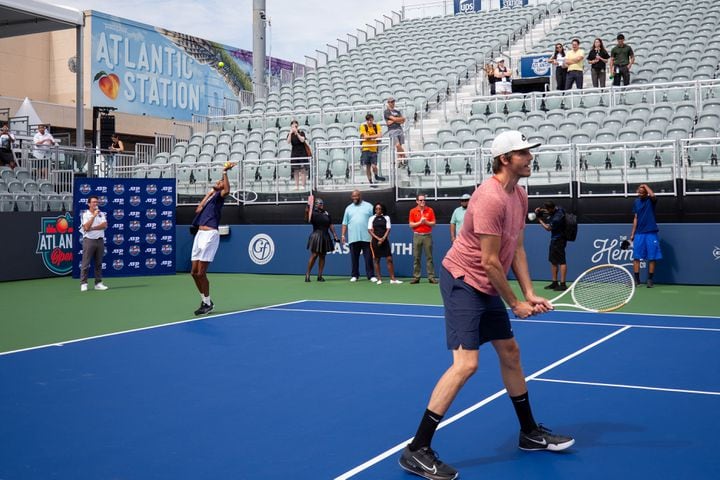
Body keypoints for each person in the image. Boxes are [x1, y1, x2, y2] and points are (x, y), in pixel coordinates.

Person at [399, 130, 574, 480]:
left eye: (529, 151)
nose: (530, 157)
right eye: (523, 152)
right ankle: (417, 449)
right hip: (464, 280)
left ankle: (528, 433)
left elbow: (518, 249)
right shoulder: (489, 198)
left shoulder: (519, 195)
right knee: (466, 365)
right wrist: (514, 304)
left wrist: (529, 293)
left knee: (510, 352)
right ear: (504, 159)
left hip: (487, 282)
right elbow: (491, 261)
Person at [190, 162, 233, 315]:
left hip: (210, 235)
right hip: (199, 235)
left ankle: (207, 302)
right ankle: (206, 301)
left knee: (201, 273)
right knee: (194, 273)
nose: (218, 182)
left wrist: (225, 172)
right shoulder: (211, 197)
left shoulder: (220, 197)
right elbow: (198, 209)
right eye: (218, 181)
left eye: (220, 181)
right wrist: (209, 193)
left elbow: (227, 189)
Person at [629, 184, 661, 288]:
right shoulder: (636, 202)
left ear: (646, 192)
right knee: (636, 257)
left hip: (651, 232)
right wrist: (633, 233)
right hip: (639, 233)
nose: (641, 193)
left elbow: (653, 195)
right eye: (639, 192)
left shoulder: (650, 200)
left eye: (643, 192)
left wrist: (645, 186)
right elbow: (635, 218)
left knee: (652, 257)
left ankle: (650, 280)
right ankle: (637, 280)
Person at [341, 190, 376, 283]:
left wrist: (374, 234)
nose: (354, 198)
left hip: (367, 237)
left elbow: (374, 221)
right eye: (353, 196)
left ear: (360, 196)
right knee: (354, 258)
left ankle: (371, 275)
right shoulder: (348, 208)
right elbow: (345, 223)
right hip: (353, 237)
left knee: (368, 258)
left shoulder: (369, 206)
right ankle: (354, 275)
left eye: (356, 196)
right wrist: (343, 235)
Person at [535, 201, 568, 291]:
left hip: (559, 240)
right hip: (555, 240)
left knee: (562, 261)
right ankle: (554, 282)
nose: (547, 211)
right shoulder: (559, 208)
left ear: (551, 208)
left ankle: (563, 284)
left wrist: (540, 220)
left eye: (547, 209)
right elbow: (549, 211)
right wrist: (540, 211)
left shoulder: (557, 218)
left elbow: (548, 228)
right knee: (553, 261)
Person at [305, 197, 339, 282]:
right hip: (316, 235)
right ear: (316, 204)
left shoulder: (326, 213)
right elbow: (307, 219)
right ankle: (307, 274)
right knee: (314, 255)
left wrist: (334, 235)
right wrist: (307, 211)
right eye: (320, 204)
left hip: (325, 236)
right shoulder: (312, 213)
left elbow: (330, 224)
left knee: (322, 256)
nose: (322, 205)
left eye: (322, 204)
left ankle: (319, 276)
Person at [80, 195, 109, 292]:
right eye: (93, 202)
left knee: (98, 263)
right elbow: (86, 228)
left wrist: (93, 228)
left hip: (100, 240)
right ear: (89, 204)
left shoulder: (101, 214)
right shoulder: (85, 214)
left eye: (97, 202)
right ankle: (84, 283)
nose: (95, 203)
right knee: (85, 263)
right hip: (89, 240)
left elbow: (104, 225)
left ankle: (98, 283)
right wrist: (93, 216)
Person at [368, 202, 402, 285]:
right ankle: (379, 279)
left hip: (384, 241)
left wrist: (383, 238)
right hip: (375, 241)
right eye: (376, 209)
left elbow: (388, 229)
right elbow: (369, 230)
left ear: (382, 209)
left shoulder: (387, 218)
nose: (378, 210)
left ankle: (392, 279)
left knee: (389, 259)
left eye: (379, 209)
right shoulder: (371, 218)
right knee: (376, 260)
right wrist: (378, 239)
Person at [408, 193, 438, 284]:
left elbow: (433, 223)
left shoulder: (430, 210)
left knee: (429, 257)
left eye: (424, 200)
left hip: (427, 235)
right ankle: (416, 277)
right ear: (417, 201)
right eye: (420, 200)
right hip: (417, 235)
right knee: (416, 257)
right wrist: (420, 223)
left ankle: (431, 277)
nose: (423, 201)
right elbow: (411, 225)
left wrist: (426, 222)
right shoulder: (413, 211)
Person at [359, 113, 386, 186]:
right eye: (368, 120)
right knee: (368, 167)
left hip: (373, 149)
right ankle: (370, 182)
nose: (369, 122)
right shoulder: (363, 126)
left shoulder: (376, 126)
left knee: (374, 166)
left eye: (371, 120)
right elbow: (365, 137)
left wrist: (369, 137)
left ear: (373, 120)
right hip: (365, 148)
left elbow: (380, 135)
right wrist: (374, 136)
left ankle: (376, 176)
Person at [287, 119, 310, 190]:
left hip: (302, 153)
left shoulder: (301, 132)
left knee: (303, 169)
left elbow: (302, 140)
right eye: (293, 126)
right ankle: (296, 186)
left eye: (295, 126)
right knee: (296, 170)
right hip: (294, 153)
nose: (294, 127)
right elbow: (288, 141)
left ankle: (303, 185)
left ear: (297, 126)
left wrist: (297, 133)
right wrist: (291, 133)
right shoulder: (289, 134)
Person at [383, 97, 406, 166]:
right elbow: (398, 119)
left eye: (393, 101)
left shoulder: (397, 111)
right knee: (397, 145)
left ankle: (399, 162)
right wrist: (397, 120)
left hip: (399, 129)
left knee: (399, 146)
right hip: (392, 130)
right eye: (391, 102)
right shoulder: (386, 111)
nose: (393, 103)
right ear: (388, 103)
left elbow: (403, 120)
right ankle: (405, 157)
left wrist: (394, 120)